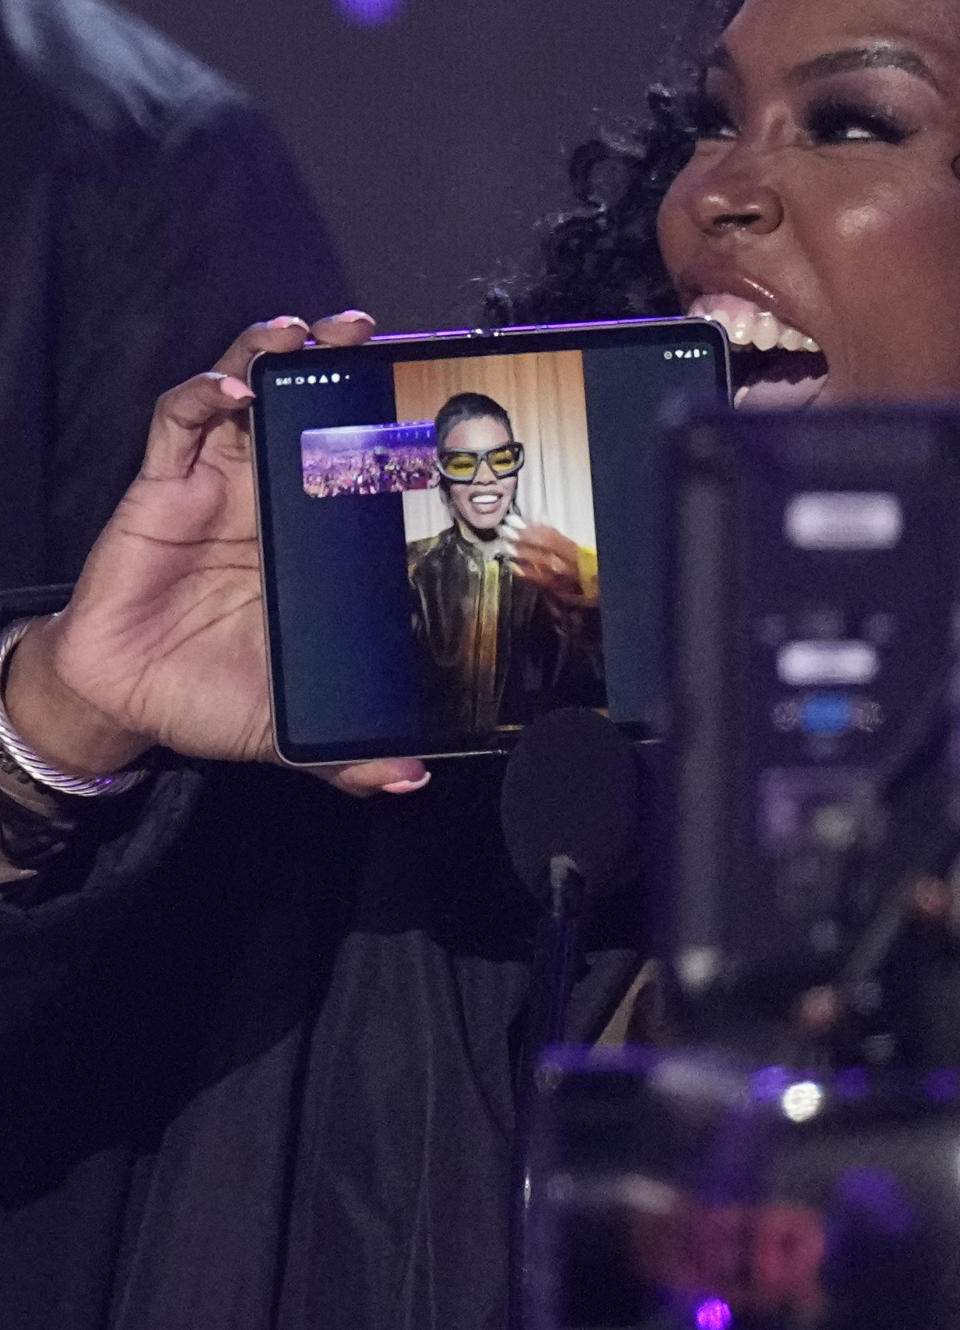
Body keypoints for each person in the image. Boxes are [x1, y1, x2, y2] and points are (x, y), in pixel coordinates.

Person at [6, 0, 960, 1325]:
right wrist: (64, 724)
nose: (717, 192)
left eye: (855, 123)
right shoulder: (424, 750)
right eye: (712, 122)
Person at [406, 392, 604, 731]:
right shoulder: (412, 571)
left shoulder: (559, 568)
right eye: (463, 463)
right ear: (440, 472)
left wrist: (588, 599)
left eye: (501, 459)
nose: (486, 477)